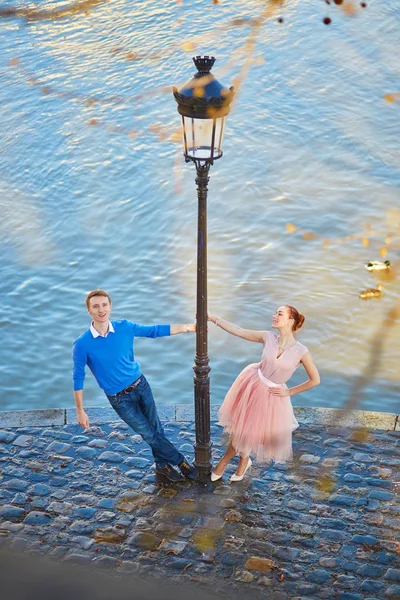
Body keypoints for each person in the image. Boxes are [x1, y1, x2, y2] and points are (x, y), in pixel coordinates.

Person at [72, 289, 199, 483]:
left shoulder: (125, 327)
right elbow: (78, 376)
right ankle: (181, 462)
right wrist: (80, 410)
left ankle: (162, 465)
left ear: (110, 306)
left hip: (141, 385)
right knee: (148, 433)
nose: (101, 310)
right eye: (96, 306)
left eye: (104, 305)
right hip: (119, 398)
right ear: (89, 310)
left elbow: (154, 331)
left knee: (156, 429)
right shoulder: (82, 344)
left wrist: (190, 327)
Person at [208, 305, 320, 482]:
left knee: (247, 433)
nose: (274, 316)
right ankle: (233, 463)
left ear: (290, 321)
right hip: (252, 385)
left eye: (279, 314)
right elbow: (238, 331)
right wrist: (212, 318)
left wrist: (288, 392)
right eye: (275, 313)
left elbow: (315, 380)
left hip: (272, 395)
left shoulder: (301, 351)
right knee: (242, 430)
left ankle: (231, 463)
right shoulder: (268, 337)